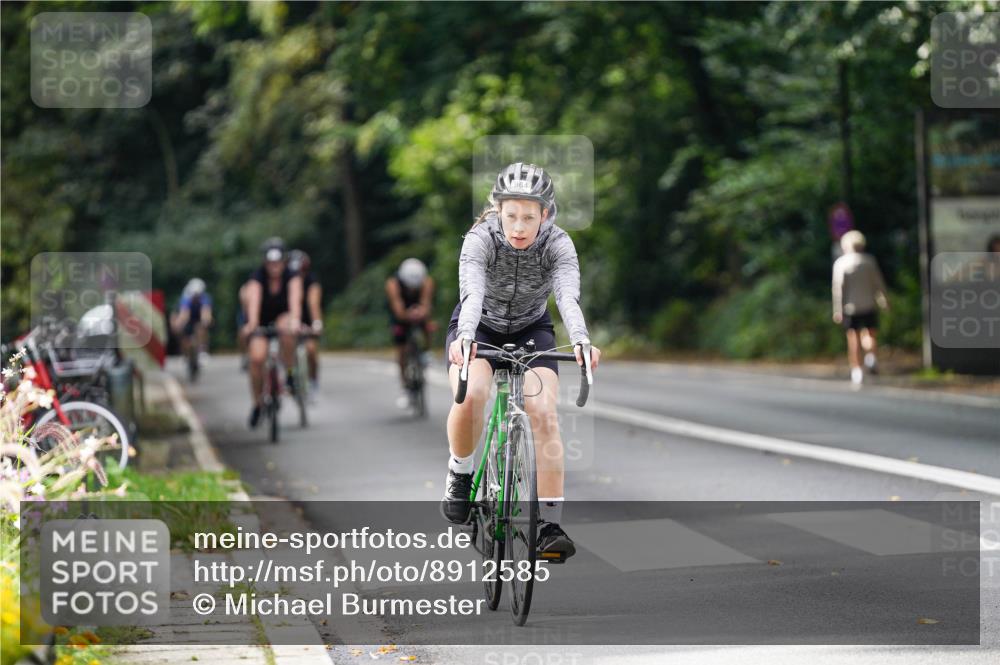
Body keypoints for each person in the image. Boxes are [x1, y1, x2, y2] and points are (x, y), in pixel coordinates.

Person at [442, 162, 601, 562]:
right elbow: (471, 294)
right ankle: (460, 472)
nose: (518, 227)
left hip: (533, 328)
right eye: (510, 215)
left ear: (545, 214)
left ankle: (549, 525)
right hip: (479, 327)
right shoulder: (480, 238)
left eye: (528, 217)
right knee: (472, 394)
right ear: (497, 210)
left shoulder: (558, 244)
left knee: (543, 412)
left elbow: (567, 296)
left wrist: (581, 340)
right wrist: (465, 336)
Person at [240, 238, 303, 427]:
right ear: (265, 263)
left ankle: (290, 373)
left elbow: (295, 301)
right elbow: (254, 301)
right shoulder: (257, 277)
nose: (274, 267)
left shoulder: (292, 276)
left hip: (283, 317)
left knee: (287, 329)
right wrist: (252, 323)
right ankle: (257, 404)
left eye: (278, 262)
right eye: (270, 263)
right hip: (261, 320)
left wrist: (296, 321)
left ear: (284, 261)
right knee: (257, 358)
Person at [832, 230, 889, 386]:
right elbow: (878, 283)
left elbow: (838, 289)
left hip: (850, 308)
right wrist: (884, 301)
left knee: (853, 339)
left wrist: (838, 310)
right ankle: (871, 357)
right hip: (869, 304)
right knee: (870, 334)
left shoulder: (841, 263)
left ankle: (857, 370)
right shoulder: (869, 261)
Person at [386, 258, 436, 409]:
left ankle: (426, 351)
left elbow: (426, 302)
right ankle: (404, 384)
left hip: (419, 310)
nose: (413, 290)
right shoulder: (393, 284)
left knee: (428, 325)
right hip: (401, 314)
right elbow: (398, 308)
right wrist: (406, 315)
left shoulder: (427, 282)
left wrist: (422, 312)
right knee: (401, 349)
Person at [289, 250, 323, 397]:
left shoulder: (312, 281)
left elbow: (313, 303)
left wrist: (316, 323)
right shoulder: (283, 281)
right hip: (289, 319)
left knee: (311, 351)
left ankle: (313, 380)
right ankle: (289, 375)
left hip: (307, 319)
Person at [171, 278, 213, 360]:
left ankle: (202, 350)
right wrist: (178, 326)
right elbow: (184, 315)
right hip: (188, 318)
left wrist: (206, 322)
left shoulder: (205, 298)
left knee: (201, 327)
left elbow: (206, 313)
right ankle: (185, 353)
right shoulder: (185, 298)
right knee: (181, 331)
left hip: (198, 318)